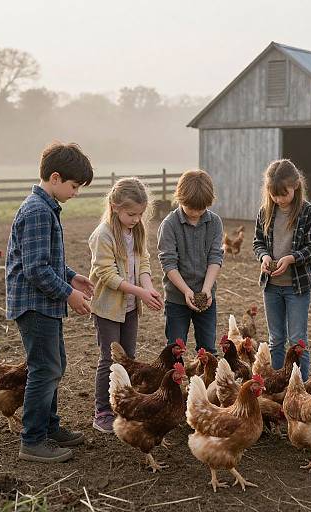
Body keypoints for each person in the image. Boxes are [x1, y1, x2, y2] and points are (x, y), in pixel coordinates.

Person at [6, 142, 94, 463]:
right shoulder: (38, 211)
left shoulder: (46, 208)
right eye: (74, 186)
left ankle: (49, 427)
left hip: (44, 303)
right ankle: (32, 440)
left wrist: (72, 277)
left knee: (55, 365)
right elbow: (36, 269)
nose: (76, 193)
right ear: (55, 178)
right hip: (34, 304)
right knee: (45, 368)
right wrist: (69, 294)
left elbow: (47, 259)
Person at [89, 177, 163, 433]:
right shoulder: (104, 235)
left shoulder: (136, 230)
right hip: (108, 308)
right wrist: (140, 291)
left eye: (140, 214)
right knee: (109, 359)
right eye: (131, 214)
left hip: (131, 306)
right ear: (114, 206)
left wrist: (149, 287)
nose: (136, 218)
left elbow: (143, 263)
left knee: (128, 359)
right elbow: (107, 276)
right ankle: (102, 411)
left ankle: (123, 405)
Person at [253, 159, 311, 381]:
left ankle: (303, 386)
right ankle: (280, 386)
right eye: (274, 195)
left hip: (296, 286)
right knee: (276, 339)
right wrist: (264, 257)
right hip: (271, 286)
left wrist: (291, 258)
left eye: (284, 193)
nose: (279, 199)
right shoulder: (265, 212)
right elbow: (257, 243)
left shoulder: (308, 212)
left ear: (296, 186)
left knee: (298, 338)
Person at [157, 170, 223, 353]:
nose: (195, 213)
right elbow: (168, 263)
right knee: (175, 349)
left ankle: (205, 382)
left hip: (206, 297)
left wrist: (207, 289)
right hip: (177, 299)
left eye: (200, 208)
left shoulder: (215, 223)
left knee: (208, 350)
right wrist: (186, 291)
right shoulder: (169, 225)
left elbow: (215, 257)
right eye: (190, 207)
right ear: (180, 199)